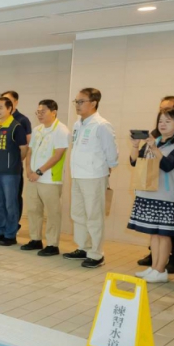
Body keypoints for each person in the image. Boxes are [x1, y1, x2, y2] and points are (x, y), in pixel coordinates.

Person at [129, 108, 174, 283]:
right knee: (154, 233)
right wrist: (135, 145)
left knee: (164, 234)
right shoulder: (155, 141)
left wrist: (154, 147)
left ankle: (161, 270)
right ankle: (154, 267)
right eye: (161, 121)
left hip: (167, 196)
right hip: (148, 193)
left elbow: (168, 165)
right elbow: (134, 162)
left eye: (168, 121)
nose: (162, 124)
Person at [64, 88, 119, 268]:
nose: (77, 105)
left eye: (81, 101)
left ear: (93, 103)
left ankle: (96, 254)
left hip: (94, 176)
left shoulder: (102, 125)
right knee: (78, 214)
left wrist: (106, 168)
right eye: (76, 102)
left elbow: (112, 152)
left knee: (94, 216)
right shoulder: (77, 124)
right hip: (78, 175)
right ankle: (84, 247)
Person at [22, 100, 70, 256]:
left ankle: (52, 244)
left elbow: (58, 155)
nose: (40, 115)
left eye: (43, 111)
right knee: (33, 209)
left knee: (52, 212)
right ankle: (35, 239)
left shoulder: (61, 130)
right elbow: (30, 151)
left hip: (50, 179)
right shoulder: (37, 130)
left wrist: (39, 172)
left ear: (53, 112)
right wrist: (28, 169)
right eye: (38, 112)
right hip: (33, 178)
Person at [0, 90, 32, 234]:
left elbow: (24, 148)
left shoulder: (17, 126)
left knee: (10, 204)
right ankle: (0, 231)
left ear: (10, 108)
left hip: (10, 173)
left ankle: (10, 234)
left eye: (0, 107)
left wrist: (15, 162)